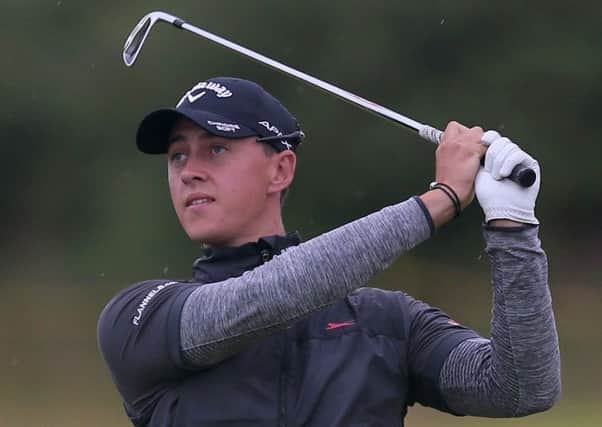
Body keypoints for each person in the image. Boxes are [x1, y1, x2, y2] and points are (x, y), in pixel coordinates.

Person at [97, 76, 561, 426]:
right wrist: (440, 200)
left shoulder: (387, 323)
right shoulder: (139, 319)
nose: (189, 171)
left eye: (216, 149)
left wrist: (512, 227)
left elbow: (520, 388)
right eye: (178, 156)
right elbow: (268, 296)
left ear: (280, 169)